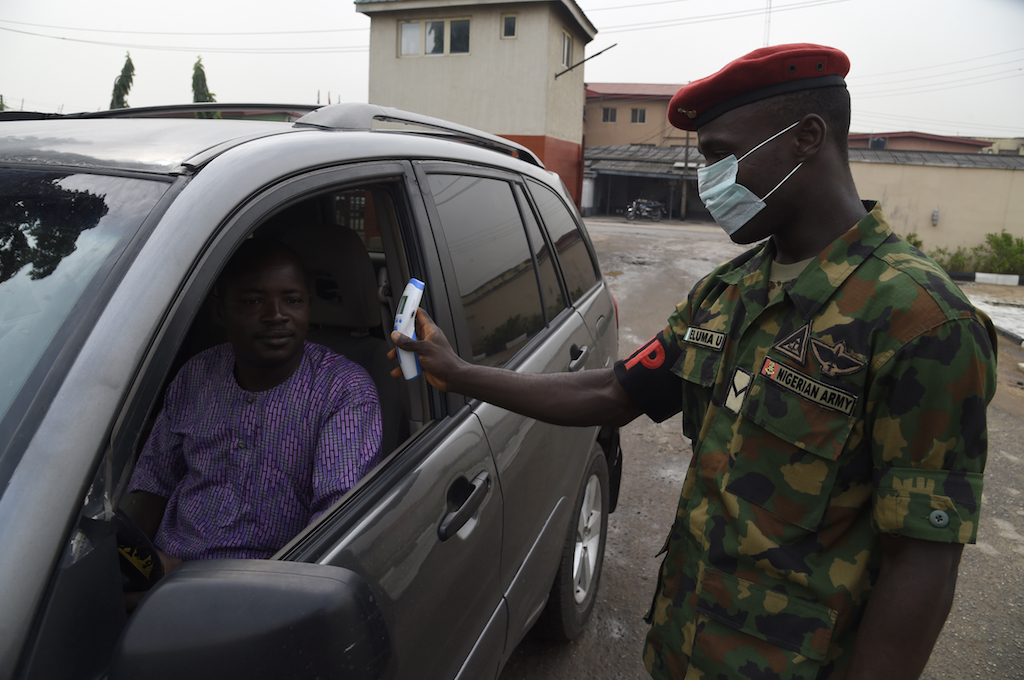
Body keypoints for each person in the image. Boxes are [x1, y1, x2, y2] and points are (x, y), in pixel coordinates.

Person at [390, 44, 998, 680]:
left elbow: (923, 563)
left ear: (806, 139)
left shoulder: (921, 323)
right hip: (683, 651)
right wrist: (458, 373)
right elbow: (613, 394)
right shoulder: (730, 291)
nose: (709, 179)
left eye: (720, 155)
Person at [125, 239, 382, 573]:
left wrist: (181, 576)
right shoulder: (197, 375)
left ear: (309, 305)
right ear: (220, 311)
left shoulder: (344, 390)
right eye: (253, 301)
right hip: (162, 567)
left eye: (291, 300)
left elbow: (335, 528)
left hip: (264, 585)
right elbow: (154, 481)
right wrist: (126, 561)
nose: (276, 316)